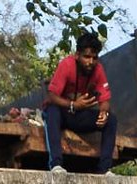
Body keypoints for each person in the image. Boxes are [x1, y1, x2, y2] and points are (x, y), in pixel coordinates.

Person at [43, 32, 118, 175]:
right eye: (87, 57)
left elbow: (105, 100)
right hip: (62, 113)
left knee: (111, 119)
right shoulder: (66, 65)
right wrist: (73, 105)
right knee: (52, 111)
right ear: (77, 55)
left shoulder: (98, 70)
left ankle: (104, 169)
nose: (90, 62)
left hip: (78, 115)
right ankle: (56, 164)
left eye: (94, 58)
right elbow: (52, 95)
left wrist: (103, 113)